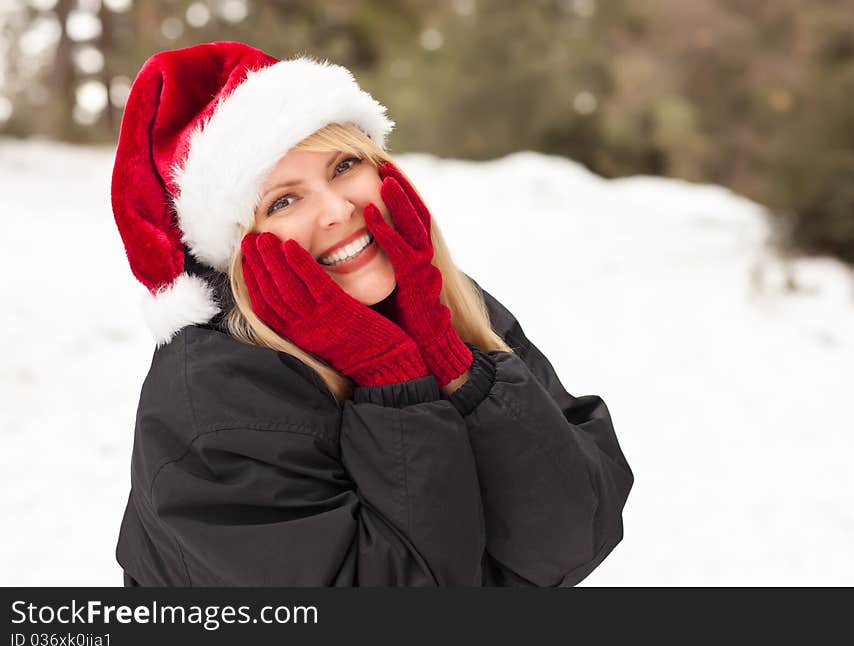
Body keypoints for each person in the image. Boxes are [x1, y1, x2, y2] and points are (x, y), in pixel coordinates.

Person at [111, 41, 634, 587]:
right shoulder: (215, 396)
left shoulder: (439, 304)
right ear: (240, 246)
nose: (339, 210)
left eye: (344, 166)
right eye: (283, 202)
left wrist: (453, 365)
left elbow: (574, 539)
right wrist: (393, 382)